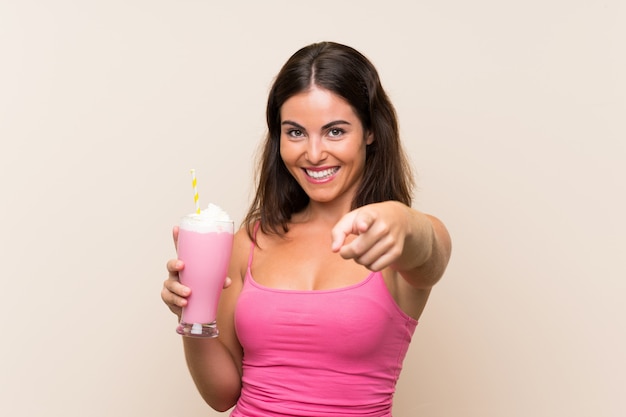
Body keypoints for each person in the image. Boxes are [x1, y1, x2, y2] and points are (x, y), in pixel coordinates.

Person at [162, 41, 452, 417]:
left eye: (335, 131)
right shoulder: (248, 242)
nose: (313, 154)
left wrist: (400, 219)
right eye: (296, 132)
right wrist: (191, 316)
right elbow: (222, 395)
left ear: (370, 131)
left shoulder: (397, 241)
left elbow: (432, 254)